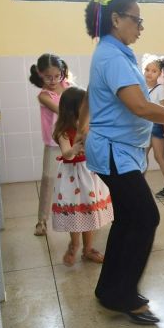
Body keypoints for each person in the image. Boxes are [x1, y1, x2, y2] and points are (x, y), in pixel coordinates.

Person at [81, 0, 164, 325]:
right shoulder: (110, 55)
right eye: (136, 19)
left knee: (127, 219)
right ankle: (124, 295)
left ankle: (110, 289)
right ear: (116, 19)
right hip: (113, 152)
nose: (140, 27)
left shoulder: (117, 51)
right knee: (146, 217)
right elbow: (139, 106)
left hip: (120, 151)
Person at [51, 87, 113, 266]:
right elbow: (67, 154)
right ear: (72, 109)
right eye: (84, 106)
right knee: (76, 210)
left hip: (89, 173)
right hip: (72, 177)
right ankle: (75, 243)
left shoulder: (88, 125)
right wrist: (75, 148)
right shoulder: (62, 131)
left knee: (90, 211)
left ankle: (88, 249)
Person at [29, 53, 72, 236]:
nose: (53, 80)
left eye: (57, 76)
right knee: (48, 179)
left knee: (83, 176)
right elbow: (62, 110)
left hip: (73, 137)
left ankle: (89, 211)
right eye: (48, 77)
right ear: (40, 74)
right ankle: (41, 221)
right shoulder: (44, 95)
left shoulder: (68, 87)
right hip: (54, 141)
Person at [142, 53, 164, 198]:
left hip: (157, 126)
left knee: (159, 157)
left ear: (160, 73)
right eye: (147, 69)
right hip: (144, 126)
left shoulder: (160, 89)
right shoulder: (140, 87)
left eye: (154, 71)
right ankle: (139, 186)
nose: (149, 73)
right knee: (141, 156)